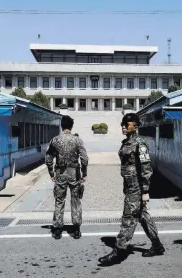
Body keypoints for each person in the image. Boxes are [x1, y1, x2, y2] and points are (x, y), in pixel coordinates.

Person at [98, 113, 165, 265]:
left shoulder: (139, 144)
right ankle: (157, 246)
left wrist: (146, 191)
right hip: (129, 185)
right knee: (143, 216)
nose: (123, 126)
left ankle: (119, 251)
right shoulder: (127, 142)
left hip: (137, 186)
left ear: (135, 126)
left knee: (128, 217)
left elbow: (146, 168)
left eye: (126, 124)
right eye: (122, 123)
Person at [45, 116, 89, 240]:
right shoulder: (77, 140)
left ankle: (58, 229)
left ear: (61, 125)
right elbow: (84, 158)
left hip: (60, 173)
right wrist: (84, 173)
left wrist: (51, 174)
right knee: (75, 199)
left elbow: (48, 158)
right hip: (74, 173)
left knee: (59, 200)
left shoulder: (55, 140)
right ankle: (76, 229)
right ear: (71, 126)